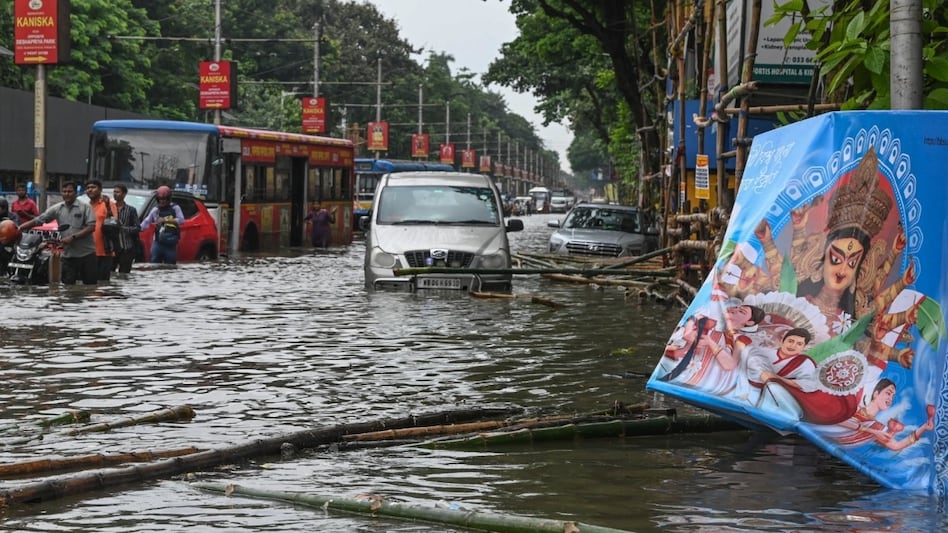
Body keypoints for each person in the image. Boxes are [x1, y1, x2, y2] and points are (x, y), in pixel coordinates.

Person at [17, 181, 97, 285]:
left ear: (75, 193)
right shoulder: (58, 208)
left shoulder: (85, 207)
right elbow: (39, 220)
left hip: (86, 254)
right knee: (68, 287)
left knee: (90, 286)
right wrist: (20, 227)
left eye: (70, 191)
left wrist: (73, 237)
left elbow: (91, 227)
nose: (67, 194)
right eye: (64, 191)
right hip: (68, 255)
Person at [140, 185, 184, 264]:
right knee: (154, 264)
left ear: (168, 198)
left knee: (170, 266)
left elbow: (181, 220)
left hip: (171, 244)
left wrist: (166, 220)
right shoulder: (155, 210)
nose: (162, 201)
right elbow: (146, 222)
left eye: (164, 199)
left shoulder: (175, 208)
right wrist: (136, 229)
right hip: (157, 243)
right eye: (160, 199)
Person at [85, 179, 119, 281]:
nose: (90, 190)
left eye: (93, 187)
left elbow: (114, 223)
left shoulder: (108, 204)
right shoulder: (85, 206)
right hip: (87, 251)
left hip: (104, 251)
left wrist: (108, 206)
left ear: (100, 190)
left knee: (102, 285)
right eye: (88, 188)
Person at [111, 184, 141, 274]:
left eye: (118, 192)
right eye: (114, 192)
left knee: (124, 274)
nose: (115, 194)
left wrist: (122, 228)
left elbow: (137, 228)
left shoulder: (131, 210)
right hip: (111, 248)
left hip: (126, 247)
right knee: (109, 273)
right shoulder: (109, 209)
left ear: (124, 194)